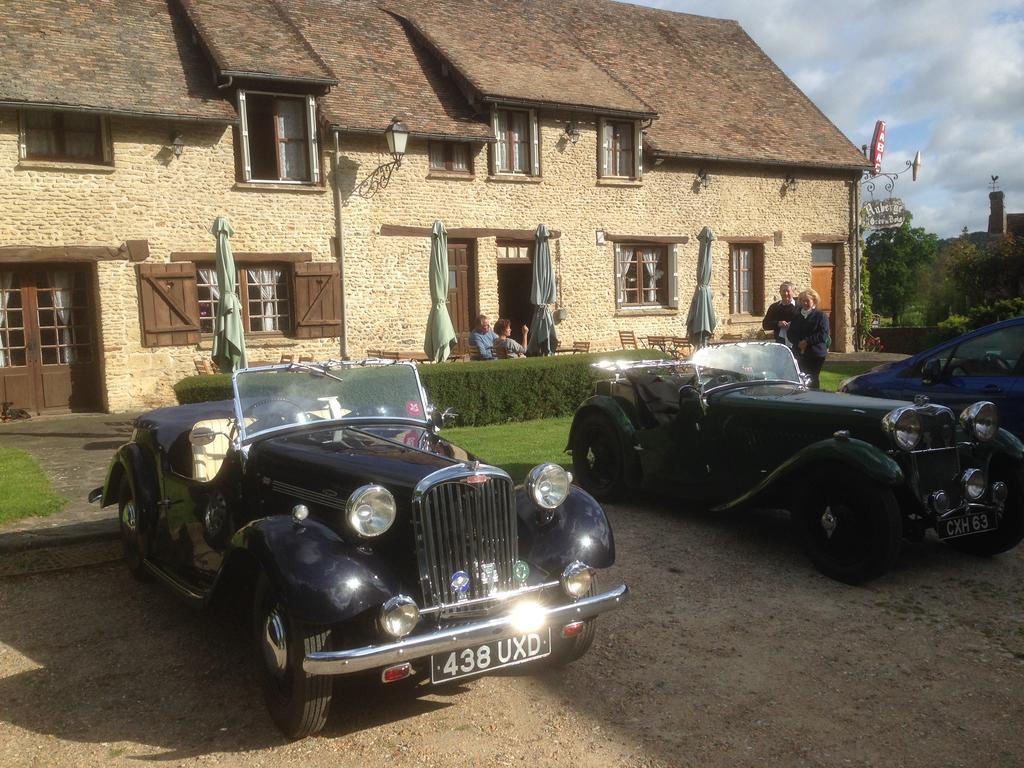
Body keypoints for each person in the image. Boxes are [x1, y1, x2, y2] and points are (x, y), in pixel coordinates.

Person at [786, 288, 829, 389]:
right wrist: (798, 342)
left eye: (807, 301)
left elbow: (824, 334)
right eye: (802, 301)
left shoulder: (820, 316)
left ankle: (814, 398)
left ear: (814, 301)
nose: (804, 303)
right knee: (801, 377)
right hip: (799, 352)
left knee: (812, 377)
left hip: (815, 353)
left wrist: (807, 342)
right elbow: (790, 333)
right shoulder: (797, 316)